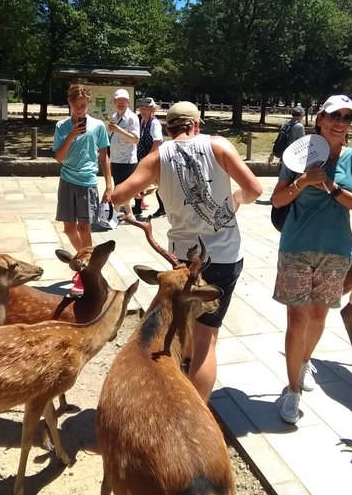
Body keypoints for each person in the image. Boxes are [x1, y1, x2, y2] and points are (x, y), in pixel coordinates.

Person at [111, 101, 262, 401]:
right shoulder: (218, 146)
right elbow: (255, 190)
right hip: (224, 255)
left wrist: (145, 186)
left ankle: (184, 385)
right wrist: (236, 199)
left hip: (181, 259)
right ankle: (196, 413)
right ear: (197, 125)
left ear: (168, 129)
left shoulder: (157, 158)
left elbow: (117, 197)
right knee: (207, 339)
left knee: (186, 324)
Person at [271, 94, 352, 424]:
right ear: (320, 118)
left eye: (347, 116)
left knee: (318, 317)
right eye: (334, 115)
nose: (340, 121)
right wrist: (303, 181)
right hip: (296, 247)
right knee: (297, 321)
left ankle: (305, 363)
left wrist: (329, 185)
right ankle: (292, 390)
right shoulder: (299, 155)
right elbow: (277, 199)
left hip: (336, 249)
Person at [54, 84, 112, 296]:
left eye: (83, 105)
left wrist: (109, 182)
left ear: (88, 102)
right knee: (69, 229)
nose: (79, 109)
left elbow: (104, 155)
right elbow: (59, 158)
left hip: (88, 180)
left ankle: (85, 270)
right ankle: (85, 260)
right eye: (75, 105)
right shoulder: (61, 126)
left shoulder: (98, 126)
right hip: (67, 179)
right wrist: (71, 135)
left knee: (85, 228)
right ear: (69, 103)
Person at [107, 89, 140, 220]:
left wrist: (119, 130)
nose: (120, 103)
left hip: (127, 159)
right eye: (118, 100)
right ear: (114, 102)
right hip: (115, 157)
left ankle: (113, 215)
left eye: (123, 101)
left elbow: (135, 139)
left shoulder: (132, 118)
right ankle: (130, 214)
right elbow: (110, 135)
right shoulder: (114, 117)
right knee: (120, 187)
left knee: (121, 189)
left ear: (128, 102)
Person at [133, 96, 166, 218]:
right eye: (141, 108)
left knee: (157, 184)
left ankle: (162, 208)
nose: (143, 111)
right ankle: (137, 207)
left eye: (146, 108)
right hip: (142, 157)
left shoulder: (154, 123)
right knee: (140, 182)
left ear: (152, 110)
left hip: (152, 157)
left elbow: (157, 142)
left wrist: (148, 158)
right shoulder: (141, 121)